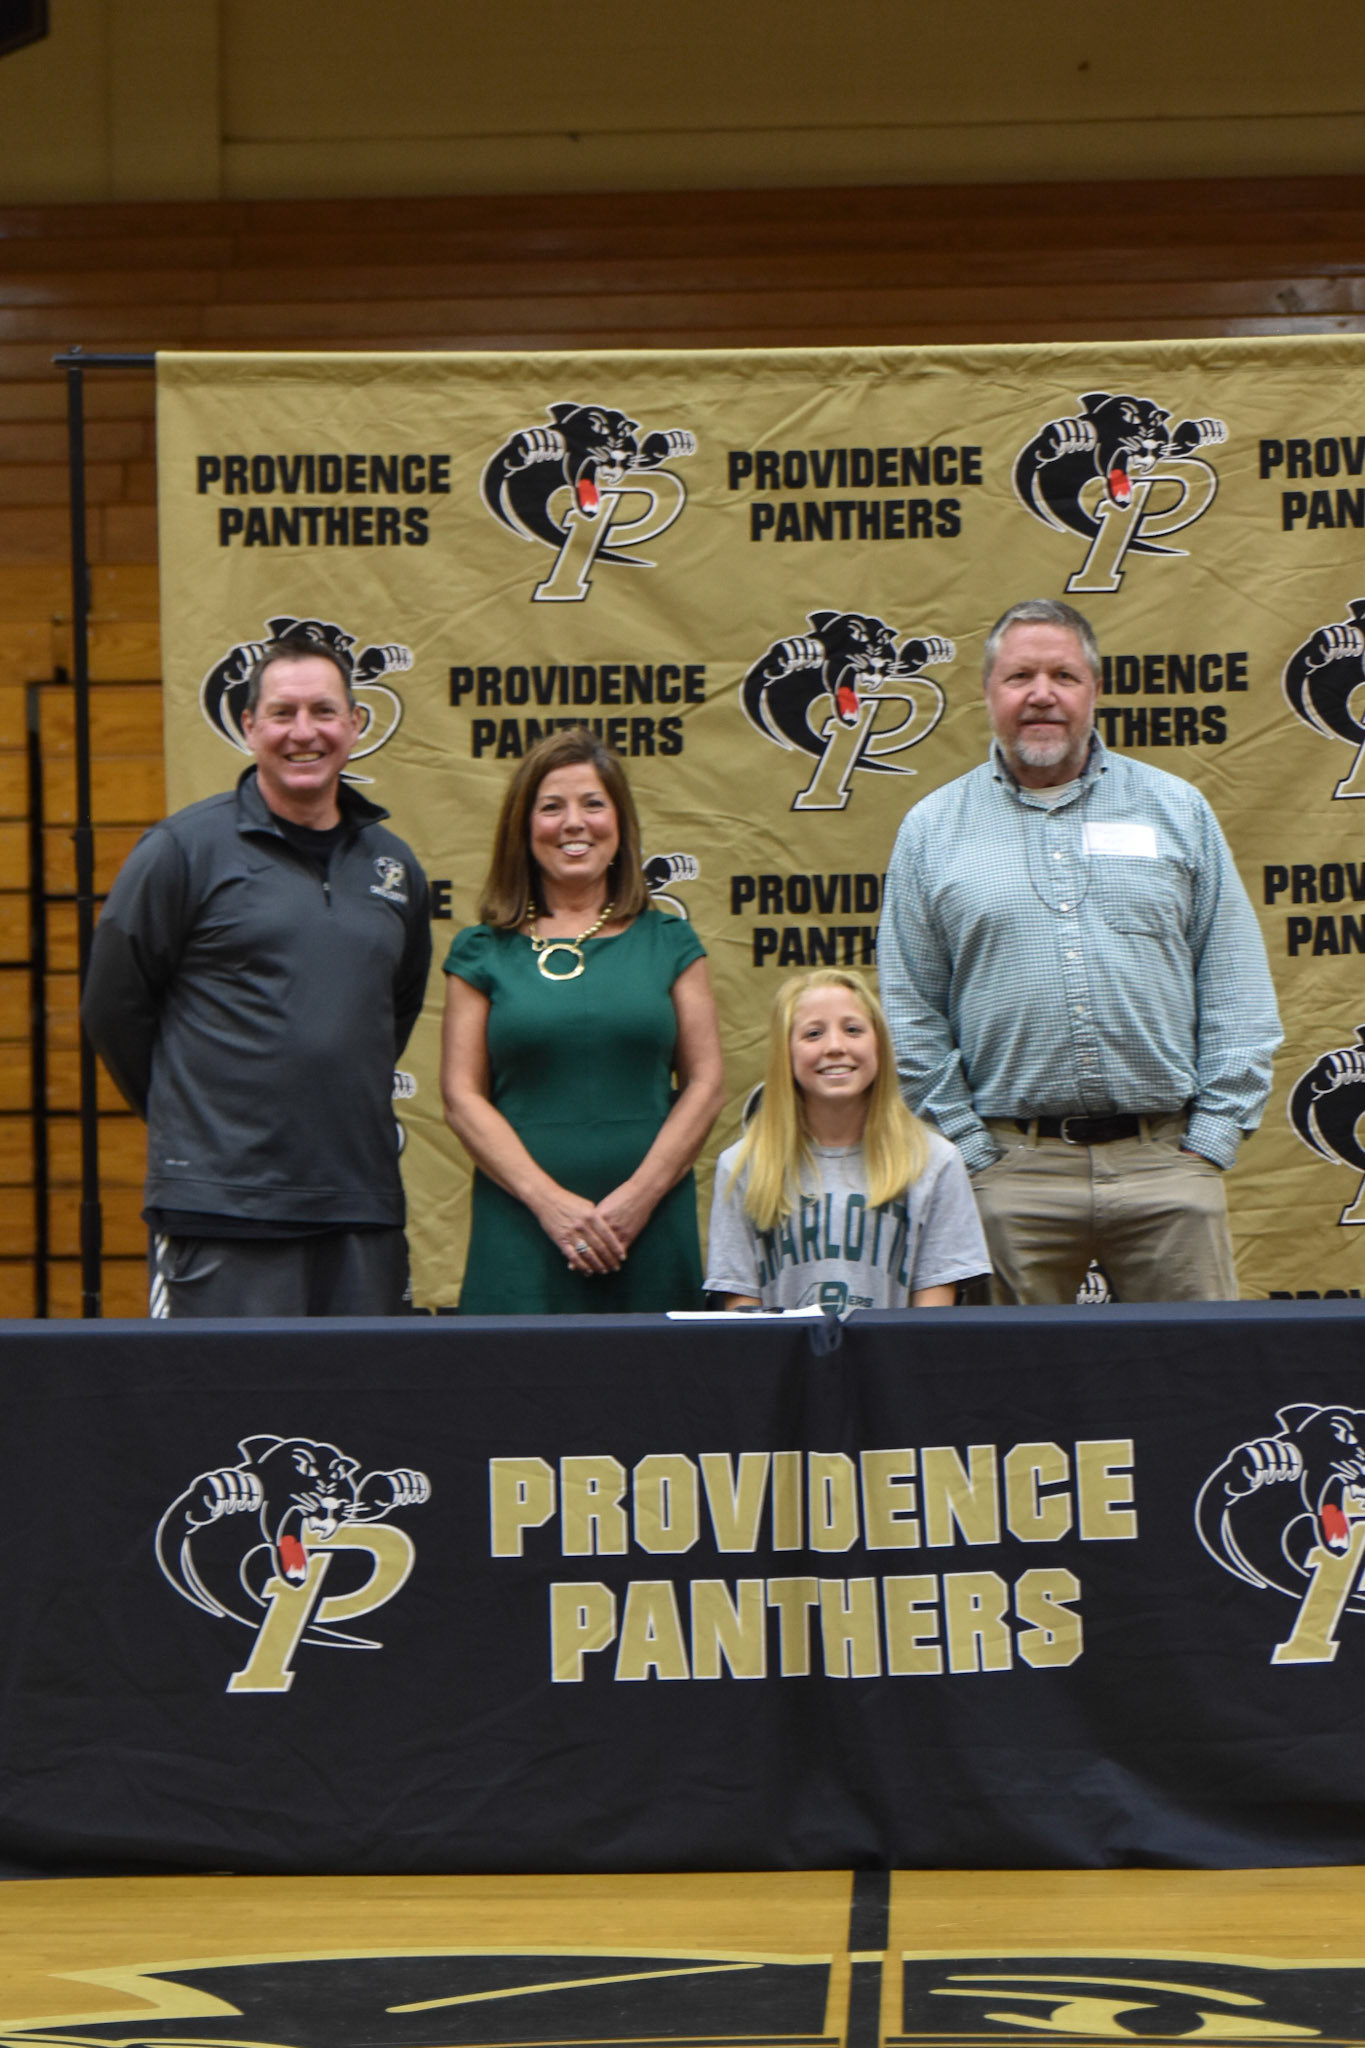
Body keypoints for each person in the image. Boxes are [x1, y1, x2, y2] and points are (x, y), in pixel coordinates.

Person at [878, 596, 1282, 1305]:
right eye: (1019, 677)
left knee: (1195, 1370)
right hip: (1008, 1174)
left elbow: (1234, 985)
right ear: (988, 692)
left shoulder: (1176, 810)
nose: (1042, 695)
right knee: (1011, 1375)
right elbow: (910, 1009)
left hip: (1166, 1167)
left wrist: (1212, 1135)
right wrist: (971, 1150)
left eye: (1063, 676)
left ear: (1093, 689)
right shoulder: (931, 829)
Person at [81, 631, 431, 1316]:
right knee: (220, 1391)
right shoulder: (181, 851)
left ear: (356, 725)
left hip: (359, 1203)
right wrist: (198, 1118)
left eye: (324, 711)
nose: (304, 732)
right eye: (282, 713)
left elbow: (392, 1011)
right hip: (222, 1208)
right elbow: (112, 1010)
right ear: (248, 727)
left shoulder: (394, 866)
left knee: (362, 1389)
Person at [441, 727, 724, 1313]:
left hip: (649, 1228)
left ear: (620, 825)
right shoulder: (481, 951)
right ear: (524, 828)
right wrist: (549, 1204)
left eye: (593, 804)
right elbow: (461, 1097)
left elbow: (706, 1084)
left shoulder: (671, 942)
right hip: (521, 1230)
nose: (574, 823)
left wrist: (637, 1200)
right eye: (552, 807)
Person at [705, 968, 989, 1312]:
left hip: (895, 1349)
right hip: (783, 1350)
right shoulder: (741, 1166)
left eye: (853, 1030)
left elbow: (933, 1318)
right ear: (785, 1053)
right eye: (813, 1034)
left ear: (879, 1043)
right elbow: (742, 1313)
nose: (835, 1047)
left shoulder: (936, 1161)